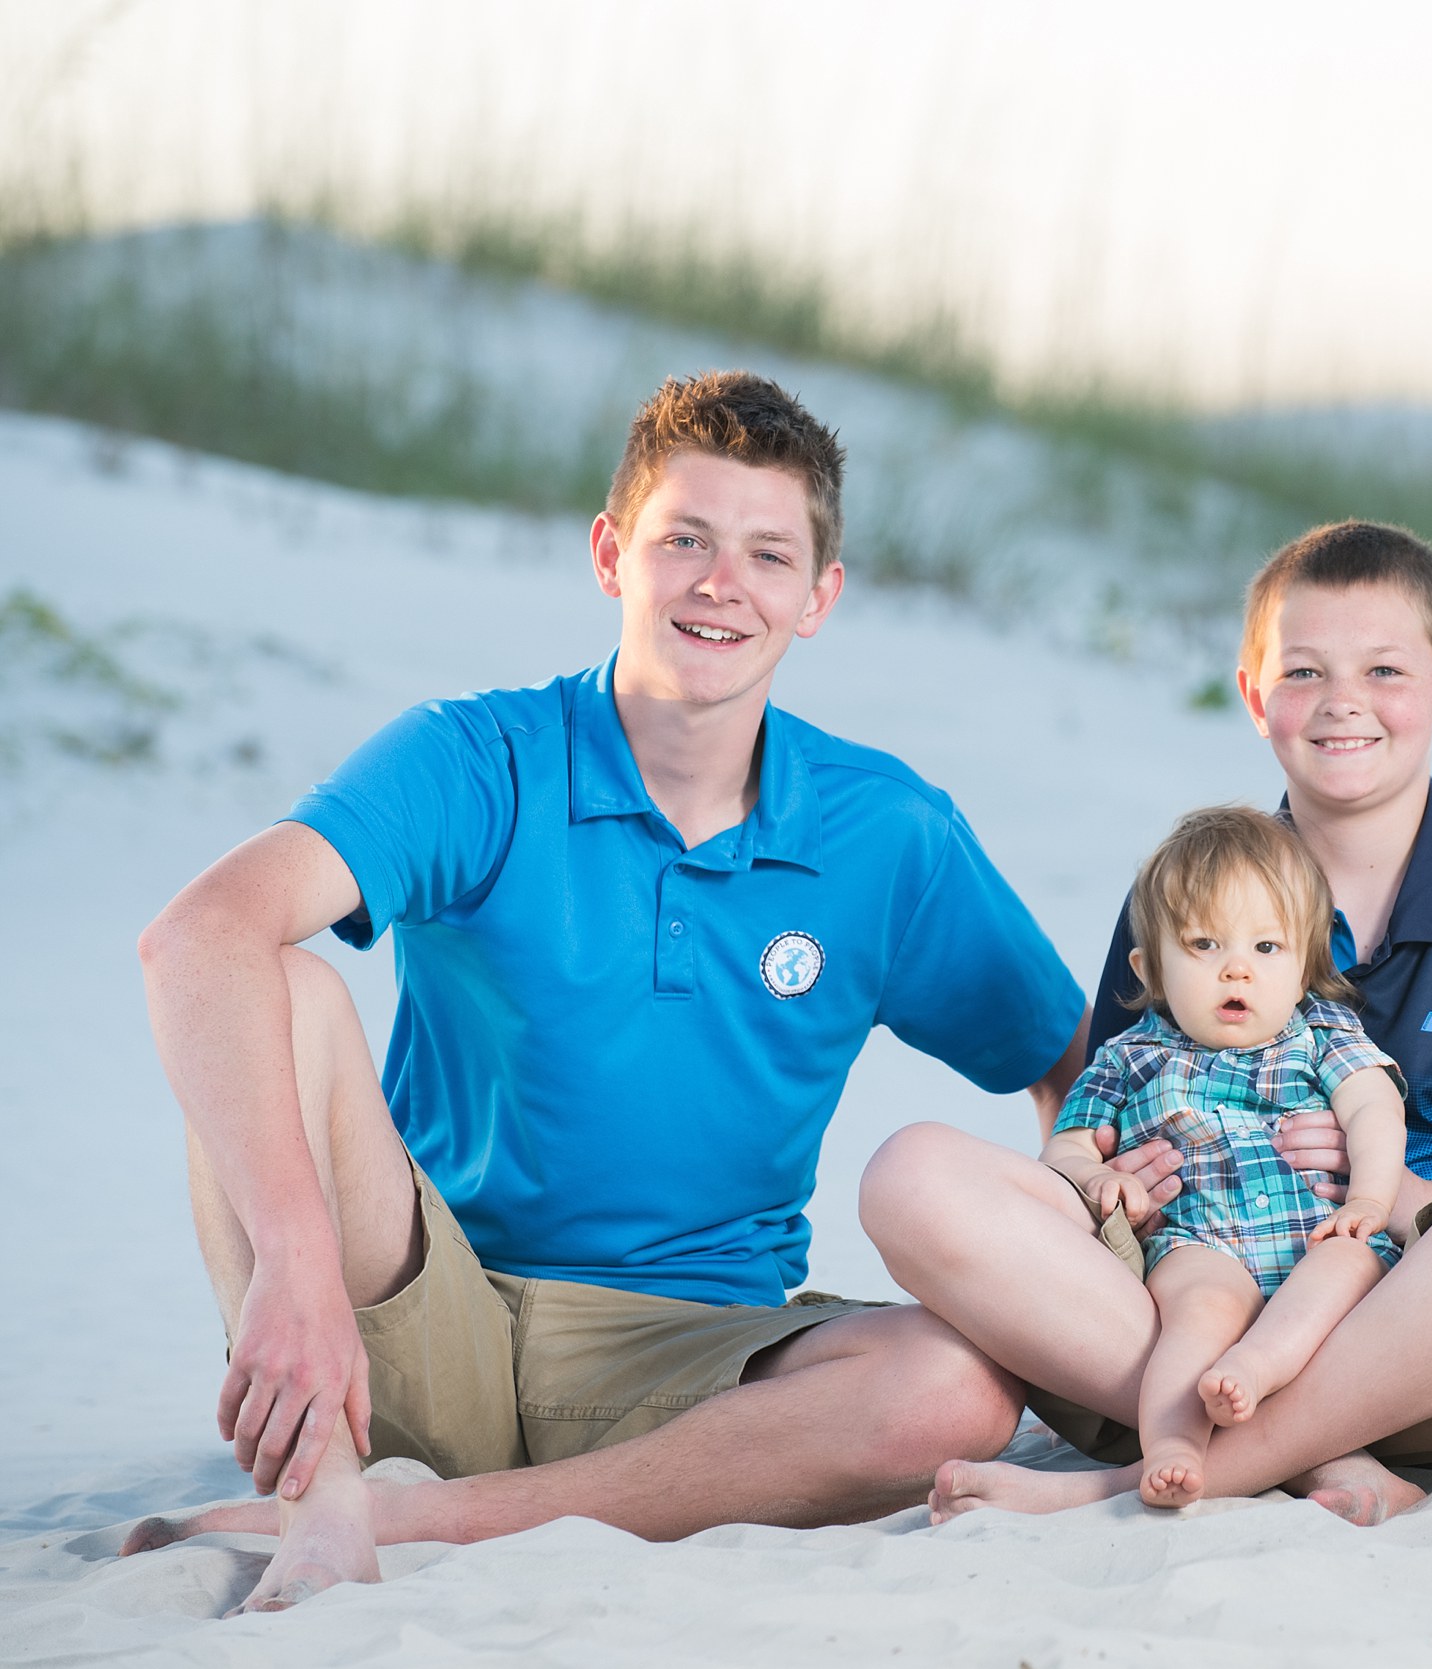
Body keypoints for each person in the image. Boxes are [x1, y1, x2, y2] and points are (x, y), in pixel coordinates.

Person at [119, 372, 1087, 1611]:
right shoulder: (478, 756)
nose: (718, 581)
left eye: (766, 553)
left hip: (689, 1364)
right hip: (424, 1303)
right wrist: (297, 1260)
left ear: (817, 597)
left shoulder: (885, 831)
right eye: (683, 538)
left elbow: (1074, 1058)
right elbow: (195, 937)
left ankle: (423, 1514)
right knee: (285, 987)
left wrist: (1072, 1226)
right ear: (610, 552)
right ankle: (326, 1487)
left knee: (954, 1391)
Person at [863, 520, 1432, 1524]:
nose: (1343, 701)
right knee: (910, 1173)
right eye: (1304, 671)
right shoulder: (1181, 897)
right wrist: (1111, 1184)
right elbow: (1092, 1127)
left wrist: (1407, 1192)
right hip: (1195, 1324)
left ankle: (1191, 1467)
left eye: (1384, 669)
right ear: (1255, 698)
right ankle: (1303, 1449)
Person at [1045, 806, 1409, 1508]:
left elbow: (1375, 1108)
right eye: (1205, 944)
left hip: (1314, 1230)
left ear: (1304, 966)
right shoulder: (1131, 1057)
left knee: (1351, 1261)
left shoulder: (1322, 1033)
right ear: (1151, 967)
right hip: (1199, 1239)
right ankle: (1175, 1443)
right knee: (1195, 1309)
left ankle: (1258, 1364)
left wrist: (1368, 1199)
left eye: (1267, 948)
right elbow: (1065, 1143)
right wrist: (1093, 1172)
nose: (1237, 967)